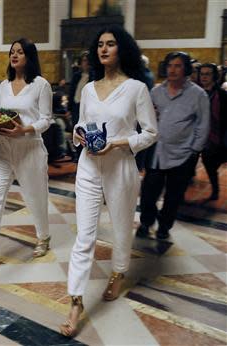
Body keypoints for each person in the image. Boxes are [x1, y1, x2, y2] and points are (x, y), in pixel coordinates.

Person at [60, 25, 158, 337]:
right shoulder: (88, 88)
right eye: (100, 44)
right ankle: (75, 302)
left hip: (121, 168)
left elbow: (151, 133)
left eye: (111, 44)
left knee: (120, 226)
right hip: (89, 166)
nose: (104, 49)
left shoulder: (136, 89)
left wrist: (117, 143)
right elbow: (82, 123)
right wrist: (78, 132)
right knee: (84, 236)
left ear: (122, 49)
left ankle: (118, 272)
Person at [0, 38, 53, 277]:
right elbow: (1, 115)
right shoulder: (4, 85)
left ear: (29, 56)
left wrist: (24, 129)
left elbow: (46, 120)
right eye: (12, 52)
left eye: (20, 52)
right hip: (4, 148)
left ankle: (43, 236)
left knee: (36, 197)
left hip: (30, 148)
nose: (14, 55)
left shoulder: (40, 84)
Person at [136, 52, 210, 240]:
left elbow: (203, 124)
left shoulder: (198, 94)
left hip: (183, 154)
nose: (172, 70)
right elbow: (145, 118)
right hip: (157, 152)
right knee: (148, 192)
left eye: (177, 66)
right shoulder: (156, 92)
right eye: (170, 65)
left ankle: (164, 226)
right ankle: (146, 222)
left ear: (186, 69)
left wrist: (194, 150)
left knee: (173, 195)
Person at [199, 63, 227, 200]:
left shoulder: (222, 95)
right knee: (208, 163)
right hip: (202, 137)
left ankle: (215, 190)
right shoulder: (196, 93)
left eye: (207, 74)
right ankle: (215, 190)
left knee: (212, 163)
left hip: (218, 136)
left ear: (214, 76)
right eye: (202, 74)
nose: (204, 77)